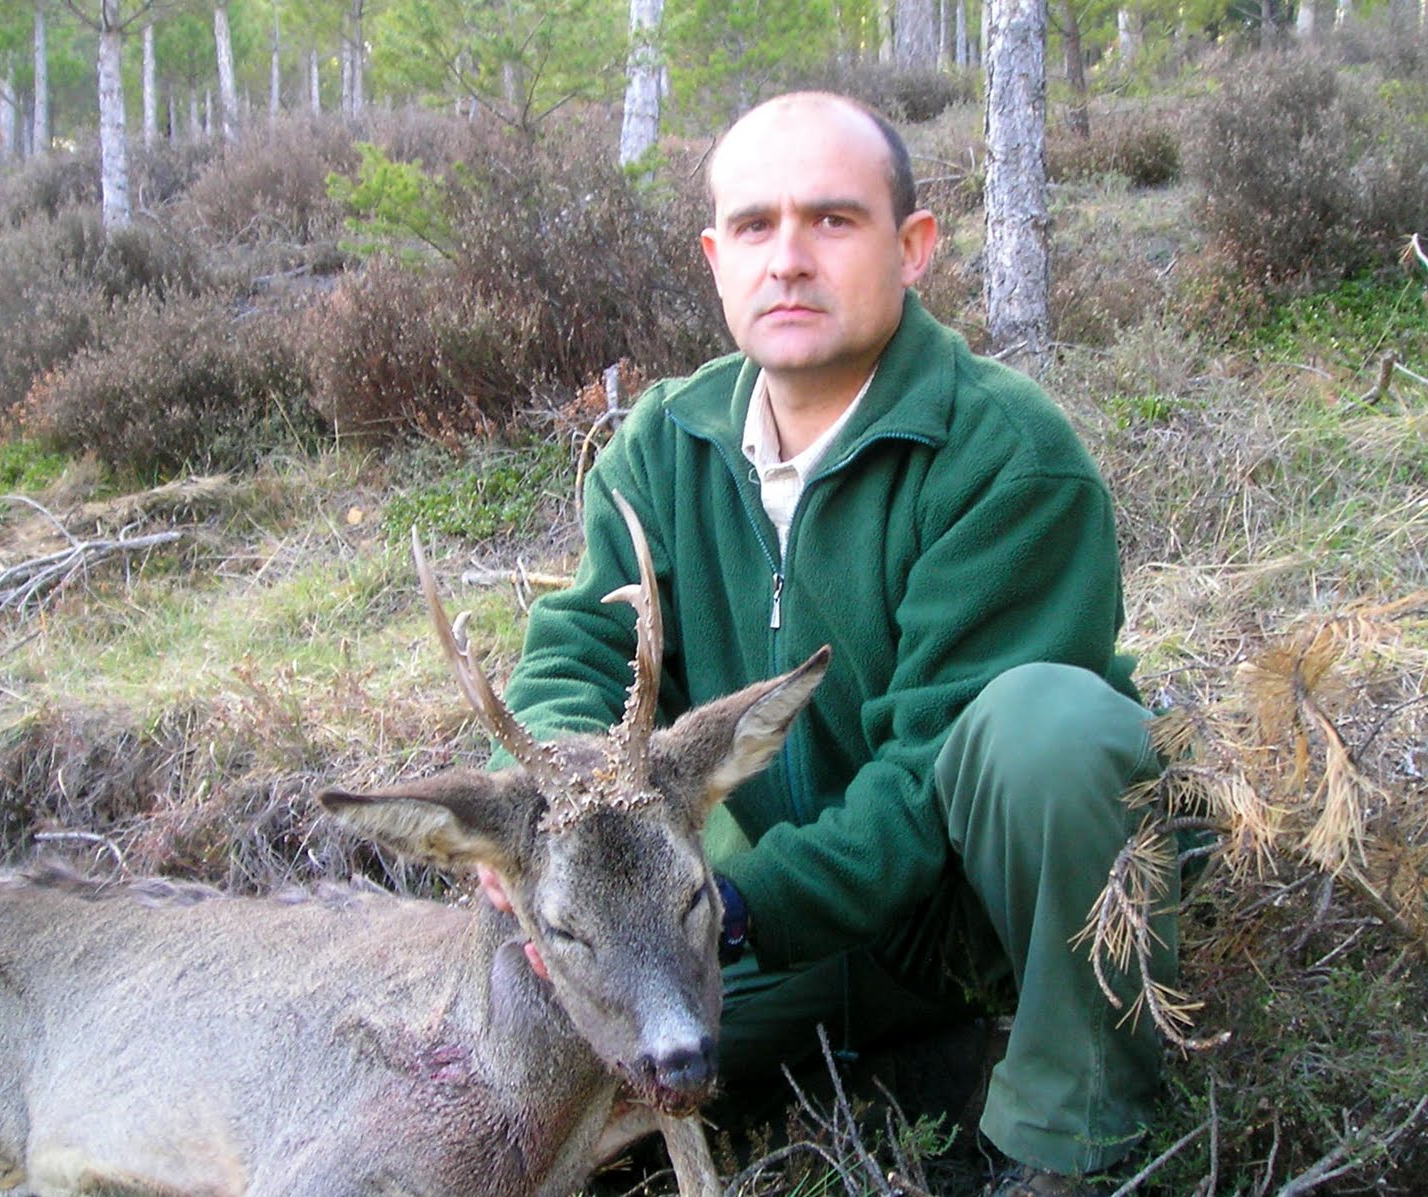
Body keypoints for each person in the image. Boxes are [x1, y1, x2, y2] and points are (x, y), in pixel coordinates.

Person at [496, 91, 1176, 1197]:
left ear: (912, 249)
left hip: (969, 921)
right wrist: (539, 821)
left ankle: (1070, 1125)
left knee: (1051, 726)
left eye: (833, 221)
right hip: (756, 928)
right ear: (716, 258)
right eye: (755, 227)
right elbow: (576, 657)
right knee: (537, 1043)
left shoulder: (1005, 457)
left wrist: (742, 905)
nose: (789, 260)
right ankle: (906, 1073)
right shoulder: (661, 449)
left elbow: (929, 765)